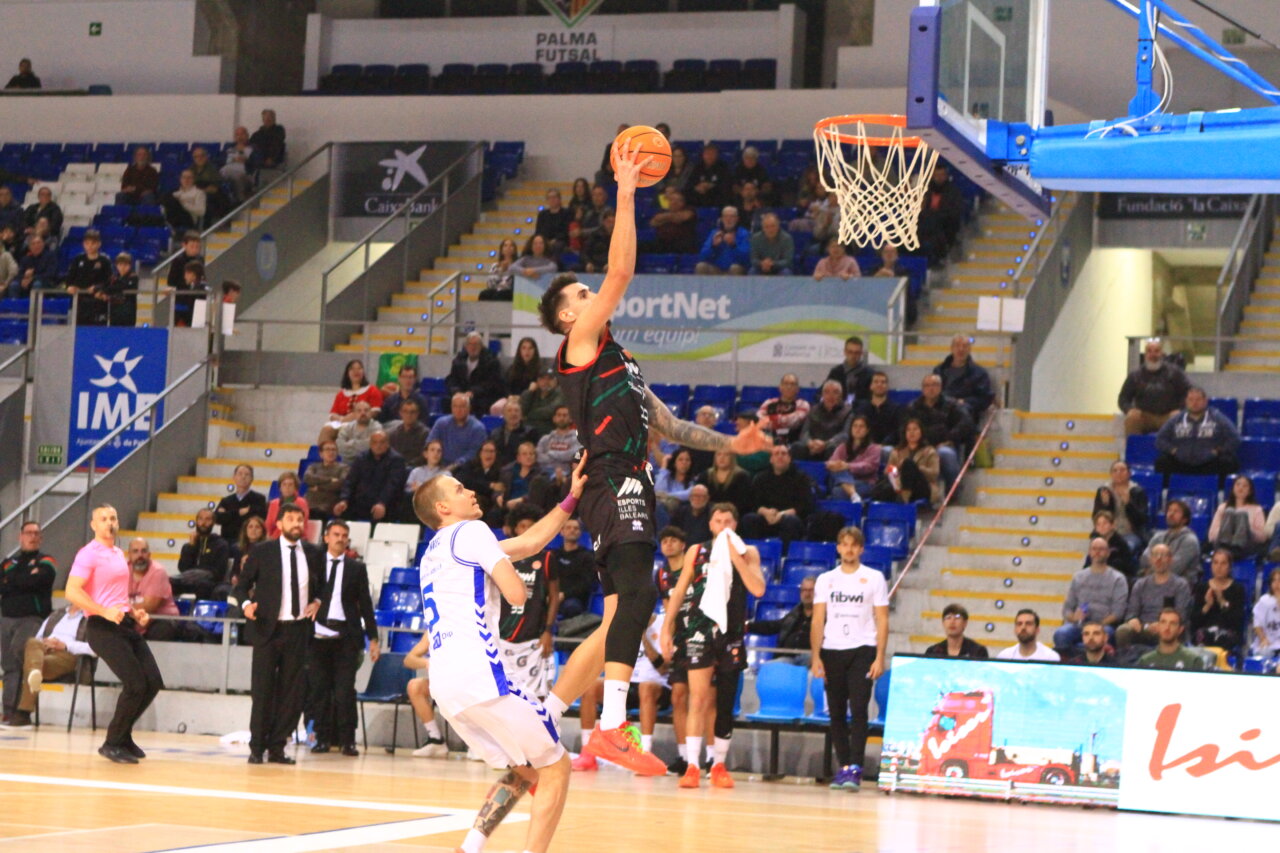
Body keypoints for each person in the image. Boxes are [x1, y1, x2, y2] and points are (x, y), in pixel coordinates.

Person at [533, 139, 769, 775]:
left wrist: (734, 446)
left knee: (620, 614)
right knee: (637, 595)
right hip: (615, 480)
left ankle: (544, 718)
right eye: (579, 293)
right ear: (565, 317)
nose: (591, 295)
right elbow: (621, 274)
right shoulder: (579, 343)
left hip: (626, 479)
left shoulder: (621, 361)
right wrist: (628, 190)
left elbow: (671, 426)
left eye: (586, 292)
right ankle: (610, 728)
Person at [411, 457, 588, 853]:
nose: (471, 491)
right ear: (443, 508)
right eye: (459, 489)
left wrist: (571, 498)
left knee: (525, 768)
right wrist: (509, 579)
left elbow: (529, 544)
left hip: (447, 687)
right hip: (480, 675)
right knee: (557, 765)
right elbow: (517, 594)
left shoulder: (433, 552)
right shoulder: (471, 531)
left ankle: (469, 847)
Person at [660, 504, 765, 789]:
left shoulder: (748, 552)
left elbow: (758, 589)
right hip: (698, 629)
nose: (723, 525)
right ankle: (692, 765)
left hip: (730, 630)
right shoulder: (696, 551)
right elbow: (680, 590)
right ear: (711, 525)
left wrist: (735, 557)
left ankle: (718, 764)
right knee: (698, 698)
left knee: (725, 702)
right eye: (718, 521)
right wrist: (667, 628)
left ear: (735, 524)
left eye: (728, 521)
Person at [64, 505, 164, 764]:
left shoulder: (119, 553)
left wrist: (135, 611)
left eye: (113, 518)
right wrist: (102, 611)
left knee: (152, 681)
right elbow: (72, 591)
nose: (110, 523)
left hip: (123, 622)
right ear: (93, 525)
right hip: (100, 626)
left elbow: (117, 596)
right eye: (104, 519)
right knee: (135, 684)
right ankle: (112, 742)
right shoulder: (88, 554)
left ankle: (123, 735)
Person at [233, 503, 323, 764]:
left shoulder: (313, 552)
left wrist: (317, 601)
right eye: (291, 519)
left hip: (298, 630)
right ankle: (256, 746)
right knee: (262, 690)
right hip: (267, 630)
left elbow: (323, 586)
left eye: (300, 519)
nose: (296, 523)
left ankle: (277, 747)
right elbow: (241, 587)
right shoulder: (263, 551)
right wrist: (246, 605)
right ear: (280, 524)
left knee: (291, 693)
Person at [810, 526, 889, 792]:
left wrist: (879, 656)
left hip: (863, 649)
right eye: (844, 544)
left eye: (854, 545)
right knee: (836, 712)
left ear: (861, 549)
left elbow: (882, 619)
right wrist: (816, 656)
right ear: (838, 548)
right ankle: (843, 767)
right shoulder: (825, 579)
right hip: (832, 649)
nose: (849, 549)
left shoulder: (875, 578)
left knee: (858, 709)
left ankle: (855, 767)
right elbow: (818, 618)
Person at [307, 519, 379, 756]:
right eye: (335, 534)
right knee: (319, 690)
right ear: (326, 537)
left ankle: (348, 740)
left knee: (344, 691)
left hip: (346, 637)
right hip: (317, 635)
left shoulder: (356, 568)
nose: (340, 538)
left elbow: (366, 605)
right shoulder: (313, 564)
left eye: (344, 535)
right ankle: (321, 738)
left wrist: (374, 638)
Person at [497, 506, 560, 701]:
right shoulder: (502, 557)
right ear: (515, 529)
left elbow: (554, 597)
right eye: (522, 526)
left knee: (536, 698)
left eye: (530, 527)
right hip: (501, 634)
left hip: (533, 635)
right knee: (502, 696)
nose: (525, 530)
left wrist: (548, 630)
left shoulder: (547, 558)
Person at [0, 522, 57, 726]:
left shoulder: (47, 560)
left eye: (36, 533)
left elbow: (39, 582)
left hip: (32, 617)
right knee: (8, 665)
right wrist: (24, 579)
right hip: (6, 618)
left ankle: (22, 711)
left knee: (21, 654)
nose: (32, 536)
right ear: (20, 536)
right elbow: (4, 584)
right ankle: (8, 712)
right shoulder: (9, 561)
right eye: (28, 533)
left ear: (40, 538)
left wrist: (13, 581)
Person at [9, 605, 93, 728]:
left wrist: (65, 645)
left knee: (32, 664)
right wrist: (45, 642)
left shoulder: (92, 617)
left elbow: (95, 649)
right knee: (33, 642)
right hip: (43, 651)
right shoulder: (57, 613)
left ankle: (24, 714)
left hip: (67, 655)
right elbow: (38, 638)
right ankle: (34, 674)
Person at [1053, 538, 1128, 653]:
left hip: (1103, 625)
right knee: (1060, 634)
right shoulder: (1078, 577)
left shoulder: (1118, 579)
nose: (1097, 552)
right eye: (1094, 549)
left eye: (1101, 549)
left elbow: (1118, 612)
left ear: (1108, 553)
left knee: (1104, 635)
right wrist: (1074, 617)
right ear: (1089, 552)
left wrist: (1097, 626)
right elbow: (1067, 609)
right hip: (1079, 625)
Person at [1117, 543, 1193, 650]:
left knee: (1168, 630)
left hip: (1168, 627)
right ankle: (1125, 662)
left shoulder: (1180, 585)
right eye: (1155, 555)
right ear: (1150, 560)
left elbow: (1181, 615)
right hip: (1143, 628)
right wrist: (1132, 619)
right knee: (1123, 631)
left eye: (1163, 555)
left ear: (1170, 560)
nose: (1159, 559)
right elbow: (1131, 612)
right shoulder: (1140, 584)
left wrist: (1162, 624)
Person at [905, 374, 973, 489]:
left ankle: (953, 493)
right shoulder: (913, 407)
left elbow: (966, 423)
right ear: (922, 389)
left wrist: (949, 438)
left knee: (946, 453)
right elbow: (905, 427)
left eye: (934, 385)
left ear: (941, 387)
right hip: (919, 446)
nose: (931, 388)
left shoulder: (952, 405)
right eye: (927, 385)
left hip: (944, 445)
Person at [1154, 387, 1240, 477]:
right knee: (1162, 462)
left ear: (1205, 401)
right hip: (1181, 463)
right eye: (1191, 400)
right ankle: (1165, 490)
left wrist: (1218, 451)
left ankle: (1221, 490)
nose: (1194, 403)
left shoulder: (1218, 418)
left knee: (1228, 463)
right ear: (1186, 401)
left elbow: (1235, 438)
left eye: (1198, 400)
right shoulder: (1176, 419)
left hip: (1209, 463)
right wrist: (1173, 450)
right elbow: (1160, 440)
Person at [741, 444, 814, 545]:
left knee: (790, 521)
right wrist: (765, 512)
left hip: (789, 518)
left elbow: (805, 505)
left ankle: (785, 556)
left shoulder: (801, 478)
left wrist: (781, 514)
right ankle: (754, 553)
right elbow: (753, 502)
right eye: (776, 454)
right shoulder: (761, 478)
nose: (780, 456)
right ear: (771, 459)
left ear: (789, 459)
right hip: (766, 518)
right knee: (749, 519)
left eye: (784, 454)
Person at [1118, 339, 1190, 436]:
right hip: (1145, 417)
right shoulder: (1135, 375)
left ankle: (1177, 450)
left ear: (1162, 354)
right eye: (1149, 351)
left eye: (1156, 351)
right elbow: (1123, 398)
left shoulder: (1175, 373)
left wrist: (1181, 410)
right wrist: (1130, 409)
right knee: (1132, 418)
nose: (1153, 355)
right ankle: (1134, 449)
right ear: (1145, 354)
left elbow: (1188, 393)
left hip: (1168, 416)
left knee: (1179, 417)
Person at [333, 431, 406, 523]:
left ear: (388, 444)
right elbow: (350, 481)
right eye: (375, 442)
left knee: (384, 513)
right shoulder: (361, 458)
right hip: (361, 501)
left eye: (382, 442)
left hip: (385, 502)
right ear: (370, 444)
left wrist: (382, 503)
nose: (378, 445)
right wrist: (344, 500)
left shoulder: (396, 460)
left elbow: (392, 485)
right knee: (343, 512)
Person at [871, 418, 942, 506]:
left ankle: (904, 501)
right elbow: (887, 472)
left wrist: (917, 468)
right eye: (908, 430)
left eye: (915, 429)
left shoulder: (930, 451)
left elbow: (934, 474)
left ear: (921, 432)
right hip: (899, 485)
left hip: (922, 486)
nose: (911, 432)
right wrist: (898, 468)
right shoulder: (897, 451)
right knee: (884, 488)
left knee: (908, 464)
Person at [400, 634, 448, 758]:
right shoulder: (434, 626)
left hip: (468, 682)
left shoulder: (469, 622)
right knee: (414, 686)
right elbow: (408, 659)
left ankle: (479, 743)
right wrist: (428, 662)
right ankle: (436, 739)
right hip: (444, 683)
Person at [126, 539, 183, 641]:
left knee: (158, 632)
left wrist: (122, 607)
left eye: (144, 551)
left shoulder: (158, 572)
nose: (140, 555)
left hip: (162, 619)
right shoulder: (122, 570)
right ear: (129, 555)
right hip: (134, 618)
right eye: (135, 551)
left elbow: (148, 607)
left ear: (149, 554)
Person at [319, 360, 383, 446]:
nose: (356, 371)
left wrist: (356, 416)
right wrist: (343, 420)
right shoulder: (341, 394)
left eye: (359, 368)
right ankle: (323, 456)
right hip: (342, 422)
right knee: (327, 428)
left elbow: (375, 411)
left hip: (362, 422)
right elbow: (333, 414)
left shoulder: (372, 390)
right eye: (352, 369)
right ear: (347, 373)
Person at [1191, 549, 1246, 650]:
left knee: (1223, 638)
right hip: (1205, 631)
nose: (1218, 567)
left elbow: (1237, 622)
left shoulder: (1237, 589)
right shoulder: (1201, 587)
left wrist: (1222, 601)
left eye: (1223, 563)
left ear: (1229, 567)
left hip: (1228, 632)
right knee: (1203, 636)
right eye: (1215, 562)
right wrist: (1207, 606)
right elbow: (1194, 621)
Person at [748, 574, 816, 654]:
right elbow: (773, 626)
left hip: (811, 657)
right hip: (787, 656)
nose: (807, 594)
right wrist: (748, 627)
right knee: (769, 666)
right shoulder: (795, 613)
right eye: (804, 590)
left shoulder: (825, 616)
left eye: (811, 590)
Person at [1140, 500, 1202, 587]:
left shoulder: (1190, 541)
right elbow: (1144, 559)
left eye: (1176, 511)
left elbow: (1174, 569)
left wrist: (1149, 571)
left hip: (1179, 587)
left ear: (1185, 519)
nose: (1171, 514)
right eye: (1169, 510)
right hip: (1154, 583)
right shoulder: (1158, 536)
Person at [1094, 459, 1149, 554]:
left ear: (1129, 473)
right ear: (1111, 474)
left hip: (1130, 533)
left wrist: (1128, 504)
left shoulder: (1137, 491)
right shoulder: (1104, 491)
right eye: (1115, 470)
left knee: (1123, 549)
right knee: (1096, 549)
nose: (1118, 473)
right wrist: (1105, 505)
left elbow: (1142, 520)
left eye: (1122, 470)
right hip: (1107, 533)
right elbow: (1096, 517)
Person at [174, 508, 231, 600]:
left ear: (213, 522)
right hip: (188, 580)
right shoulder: (188, 546)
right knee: (168, 582)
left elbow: (218, 572)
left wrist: (198, 573)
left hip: (210, 583)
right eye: (200, 519)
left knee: (203, 585)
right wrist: (191, 547)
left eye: (208, 519)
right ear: (196, 521)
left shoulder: (221, 544)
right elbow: (182, 568)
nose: (203, 523)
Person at [933, 334, 994, 417]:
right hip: (941, 410)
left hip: (965, 414)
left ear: (969, 349)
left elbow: (985, 399)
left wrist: (965, 401)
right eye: (957, 345)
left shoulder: (979, 373)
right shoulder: (939, 370)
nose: (961, 349)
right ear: (951, 348)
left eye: (965, 346)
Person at [446, 332, 506, 415]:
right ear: (466, 346)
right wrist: (456, 391)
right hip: (462, 394)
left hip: (482, 396)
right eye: (470, 344)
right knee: (446, 401)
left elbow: (492, 383)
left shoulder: (491, 361)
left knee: (479, 404)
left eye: (476, 344)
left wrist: (473, 392)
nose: (473, 347)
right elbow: (452, 379)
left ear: (481, 346)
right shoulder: (458, 360)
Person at [792, 380, 851, 463]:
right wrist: (810, 442)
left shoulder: (848, 411)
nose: (831, 396)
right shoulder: (814, 409)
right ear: (822, 395)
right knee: (796, 447)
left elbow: (845, 434)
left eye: (835, 392)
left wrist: (825, 444)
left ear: (841, 395)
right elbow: (804, 432)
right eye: (827, 392)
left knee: (834, 449)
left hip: (831, 446)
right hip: (812, 447)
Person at [1208, 474, 1266, 557]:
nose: (1241, 488)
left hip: (1245, 547)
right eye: (1238, 484)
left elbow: (1262, 537)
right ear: (1233, 488)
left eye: (1245, 486)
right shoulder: (1223, 507)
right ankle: (1226, 545)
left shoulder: (1256, 509)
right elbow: (1211, 536)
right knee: (1230, 511)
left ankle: (1237, 546)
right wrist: (1225, 529)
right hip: (1221, 546)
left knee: (1241, 515)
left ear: (1250, 491)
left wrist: (1246, 529)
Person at [64, 229, 114, 326]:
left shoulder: (104, 261)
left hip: (98, 301)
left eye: (93, 243)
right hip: (80, 302)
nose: (90, 246)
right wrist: (69, 286)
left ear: (99, 244)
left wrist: (97, 288)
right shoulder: (78, 260)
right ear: (83, 244)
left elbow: (109, 280)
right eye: (87, 243)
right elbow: (69, 278)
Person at [827, 415, 882, 501]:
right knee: (836, 469)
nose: (857, 429)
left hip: (865, 482)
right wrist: (838, 465)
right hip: (843, 482)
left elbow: (869, 466)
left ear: (867, 430)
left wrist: (848, 466)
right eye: (855, 426)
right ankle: (853, 495)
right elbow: (830, 463)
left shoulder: (874, 448)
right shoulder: (843, 447)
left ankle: (850, 495)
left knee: (837, 491)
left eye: (861, 426)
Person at [549, 518, 595, 619]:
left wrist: (564, 595)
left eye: (576, 528)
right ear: (561, 531)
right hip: (551, 596)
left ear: (580, 533)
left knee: (571, 607)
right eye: (568, 527)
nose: (572, 530)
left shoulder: (587, 557)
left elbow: (586, 583)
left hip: (573, 599)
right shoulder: (552, 555)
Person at [427, 393, 488, 468]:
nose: (458, 410)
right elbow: (430, 443)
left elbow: (474, 453)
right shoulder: (441, 423)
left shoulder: (478, 428)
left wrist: (456, 465)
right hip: (439, 465)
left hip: (465, 468)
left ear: (469, 408)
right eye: (455, 406)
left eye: (462, 406)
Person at [1136, 609, 1206, 671]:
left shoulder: (1193, 660)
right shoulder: (1145, 661)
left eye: (1172, 623)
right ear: (1157, 627)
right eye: (1163, 622)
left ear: (1180, 630)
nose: (1167, 627)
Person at [215, 463, 268, 545]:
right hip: (227, 540)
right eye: (240, 474)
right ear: (234, 477)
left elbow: (260, 518)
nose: (243, 477)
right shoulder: (226, 500)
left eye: (247, 474)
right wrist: (238, 512)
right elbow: (217, 518)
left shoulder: (259, 499)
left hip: (250, 542)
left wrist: (228, 515)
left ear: (252, 479)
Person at [696, 451, 754, 518]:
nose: (722, 458)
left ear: (732, 457)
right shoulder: (705, 476)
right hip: (709, 515)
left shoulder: (742, 476)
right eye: (719, 454)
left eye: (726, 455)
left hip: (734, 516)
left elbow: (744, 503)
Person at [694, 205, 750, 275]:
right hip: (717, 269)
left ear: (737, 219)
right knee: (701, 266)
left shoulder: (744, 234)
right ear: (722, 219)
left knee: (735, 268)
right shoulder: (714, 233)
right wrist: (713, 246)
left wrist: (733, 245)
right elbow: (702, 256)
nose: (728, 219)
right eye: (726, 216)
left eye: (732, 217)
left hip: (734, 269)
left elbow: (746, 259)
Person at [757, 374, 810, 444]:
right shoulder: (769, 403)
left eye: (792, 384)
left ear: (797, 389)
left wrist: (772, 419)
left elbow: (794, 422)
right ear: (780, 387)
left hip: (794, 439)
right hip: (770, 438)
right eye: (786, 384)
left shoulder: (803, 404)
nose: (789, 387)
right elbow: (760, 419)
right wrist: (782, 420)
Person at [302, 440, 348, 521]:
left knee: (317, 512)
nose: (331, 452)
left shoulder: (343, 468)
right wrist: (329, 480)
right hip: (309, 501)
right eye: (327, 449)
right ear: (321, 454)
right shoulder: (313, 467)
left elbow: (339, 484)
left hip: (328, 503)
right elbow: (307, 478)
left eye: (333, 450)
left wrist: (318, 487)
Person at [535, 405, 582, 484]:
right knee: (537, 481)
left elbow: (573, 455)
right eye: (559, 415)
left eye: (565, 415)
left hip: (568, 473)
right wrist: (562, 457)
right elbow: (539, 457)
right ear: (554, 418)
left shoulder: (577, 438)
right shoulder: (545, 439)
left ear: (571, 419)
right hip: (546, 474)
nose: (562, 418)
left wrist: (550, 453)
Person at [923, 603, 989, 659]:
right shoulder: (932, 652)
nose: (952, 622)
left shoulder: (977, 651)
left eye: (957, 618)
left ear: (965, 623)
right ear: (943, 623)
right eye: (948, 618)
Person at [853, 371, 902, 445]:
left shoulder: (896, 409)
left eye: (883, 382)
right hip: (864, 446)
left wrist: (883, 445)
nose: (879, 384)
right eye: (876, 382)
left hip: (887, 448)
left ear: (887, 387)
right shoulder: (861, 409)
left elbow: (897, 432)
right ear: (871, 386)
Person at [995, 609, 1060, 661]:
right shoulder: (1004, 657)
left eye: (1028, 623)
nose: (1023, 627)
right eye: (1019, 624)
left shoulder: (1050, 658)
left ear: (1037, 630)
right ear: (1015, 630)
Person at [490, 398, 539, 466]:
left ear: (521, 415)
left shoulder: (530, 432)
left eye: (516, 411)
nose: (513, 414)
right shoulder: (495, 433)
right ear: (503, 415)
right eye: (509, 411)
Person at [1089, 510, 1136, 580]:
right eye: (1098, 524)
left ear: (1112, 525)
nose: (1102, 527)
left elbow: (1127, 567)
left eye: (1105, 523)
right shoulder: (1095, 544)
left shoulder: (1120, 544)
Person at [647, 188, 697, 254]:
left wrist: (664, 219)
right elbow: (653, 223)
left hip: (681, 243)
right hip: (662, 242)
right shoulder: (663, 211)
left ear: (683, 203)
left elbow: (681, 218)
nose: (674, 203)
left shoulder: (690, 210)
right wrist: (671, 217)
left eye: (678, 201)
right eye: (672, 200)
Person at [520, 367, 568, 436]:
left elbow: (550, 411)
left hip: (548, 430)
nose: (546, 382)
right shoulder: (531, 393)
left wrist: (528, 415)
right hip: (527, 430)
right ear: (537, 381)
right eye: (542, 379)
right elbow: (522, 410)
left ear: (556, 381)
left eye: (550, 379)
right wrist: (529, 392)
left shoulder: (560, 393)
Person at [827, 337, 874, 404]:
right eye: (850, 352)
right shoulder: (836, 372)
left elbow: (873, 398)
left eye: (856, 353)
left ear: (861, 353)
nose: (853, 356)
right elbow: (821, 393)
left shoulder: (869, 374)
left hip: (861, 411)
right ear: (845, 352)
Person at [265, 472, 311, 538]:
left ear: (295, 487)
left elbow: (301, 524)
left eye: (290, 485)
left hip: (296, 536)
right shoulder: (273, 503)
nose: (287, 487)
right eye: (284, 485)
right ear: (280, 488)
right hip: (275, 538)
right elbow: (268, 525)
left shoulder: (301, 502)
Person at [687, 143, 733, 208]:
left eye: (712, 154)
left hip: (716, 195)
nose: (709, 156)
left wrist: (711, 186)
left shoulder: (723, 167)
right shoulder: (697, 167)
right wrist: (697, 187)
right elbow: (691, 182)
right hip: (699, 195)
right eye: (707, 154)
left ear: (716, 155)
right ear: (703, 155)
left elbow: (726, 183)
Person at [748, 211, 793, 276]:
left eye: (773, 226)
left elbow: (788, 261)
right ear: (763, 228)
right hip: (761, 267)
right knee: (752, 271)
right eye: (767, 227)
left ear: (778, 226)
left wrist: (772, 264)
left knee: (786, 272)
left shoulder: (787, 238)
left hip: (780, 268)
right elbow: (753, 259)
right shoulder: (755, 238)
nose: (770, 230)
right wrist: (762, 263)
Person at [386, 399, 429, 466]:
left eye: (412, 412)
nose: (409, 415)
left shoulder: (425, 433)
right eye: (405, 411)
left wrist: (407, 465)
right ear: (400, 413)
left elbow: (424, 456)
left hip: (414, 468)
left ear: (417, 414)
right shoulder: (394, 433)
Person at [502, 336, 545, 402]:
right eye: (524, 348)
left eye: (530, 348)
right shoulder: (512, 368)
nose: (527, 351)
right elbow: (505, 386)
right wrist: (509, 396)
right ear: (519, 350)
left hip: (531, 400)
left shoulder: (540, 369)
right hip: (512, 400)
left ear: (535, 351)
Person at [104, 251, 138, 327]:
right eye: (120, 265)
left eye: (125, 265)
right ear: (116, 266)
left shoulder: (133, 277)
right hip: (115, 311)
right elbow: (107, 287)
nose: (122, 267)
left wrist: (113, 288)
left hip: (128, 311)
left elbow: (125, 286)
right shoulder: (113, 278)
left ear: (130, 266)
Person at [221, 126, 256, 201]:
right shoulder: (229, 147)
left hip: (245, 174)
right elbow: (218, 159)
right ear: (234, 137)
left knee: (237, 177)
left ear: (247, 136)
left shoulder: (253, 148)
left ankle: (241, 201)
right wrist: (232, 159)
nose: (240, 137)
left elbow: (258, 161)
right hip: (226, 171)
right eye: (237, 135)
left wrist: (246, 160)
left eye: (242, 134)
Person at [534, 189, 573, 257]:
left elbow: (566, 231)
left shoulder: (566, 213)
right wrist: (544, 241)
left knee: (557, 246)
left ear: (559, 199)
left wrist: (554, 240)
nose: (552, 200)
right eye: (550, 198)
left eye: (554, 197)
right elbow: (538, 231)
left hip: (561, 240)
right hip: (545, 241)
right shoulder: (542, 214)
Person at [249, 109, 287, 175]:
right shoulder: (257, 134)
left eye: (270, 117)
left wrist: (271, 158)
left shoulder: (279, 130)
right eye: (265, 118)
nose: (267, 119)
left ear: (274, 119)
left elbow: (277, 144)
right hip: (258, 158)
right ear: (263, 119)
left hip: (273, 158)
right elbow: (250, 145)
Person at [1252, 569, 1280, 656]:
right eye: (1274, 580)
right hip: (1267, 641)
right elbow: (1257, 625)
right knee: (1263, 653)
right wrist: (1263, 638)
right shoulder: (1264, 601)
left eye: (1279, 580)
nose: (1276, 583)